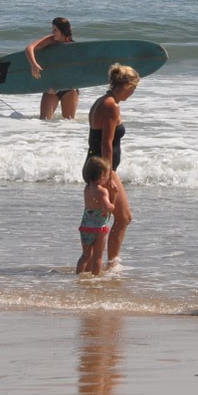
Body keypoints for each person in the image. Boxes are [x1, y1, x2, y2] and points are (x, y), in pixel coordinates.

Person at [88, 64, 140, 267]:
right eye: (133, 88)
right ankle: (112, 264)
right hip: (104, 169)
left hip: (97, 166)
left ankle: (93, 265)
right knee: (123, 217)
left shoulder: (103, 101)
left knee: (103, 219)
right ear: (126, 85)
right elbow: (106, 143)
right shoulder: (111, 105)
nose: (133, 93)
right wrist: (108, 177)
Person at [27, 17, 77, 121]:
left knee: (69, 123)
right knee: (44, 121)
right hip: (51, 89)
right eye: (52, 29)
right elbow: (30, 48)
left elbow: (78, 71)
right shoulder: (51, 40)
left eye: (55, 30)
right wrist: (34, 64)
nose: (52, 32)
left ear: (63, 31)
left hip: (69, 89)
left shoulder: (74, 46)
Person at [76, 156, 117, 276]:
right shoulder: (102, 191)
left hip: (85, 227)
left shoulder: (87, 188)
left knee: (85, 255)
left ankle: (78, 275)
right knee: (98, 256)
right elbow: (107, 207)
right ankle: (96, 278)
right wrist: (113, 198)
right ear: (102, 175)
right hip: (99, 228)